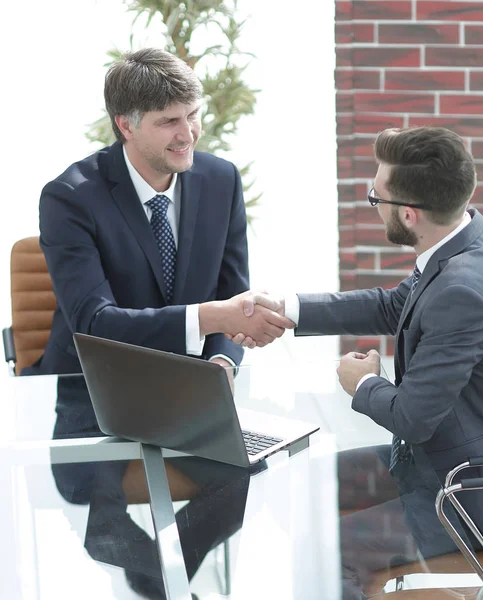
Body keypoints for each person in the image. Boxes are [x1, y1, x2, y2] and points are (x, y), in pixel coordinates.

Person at [24, 47, 292, 595]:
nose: (188, 133)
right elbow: (95, 322)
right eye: (170, 121)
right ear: (126, 124)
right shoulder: (70, 198)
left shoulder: (220, 181)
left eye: (193, 114)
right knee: (94, 501)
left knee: (246, 478)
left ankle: (162, 590)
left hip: (187, 390)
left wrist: (221, 356)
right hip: (90, 390)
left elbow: (229, 294)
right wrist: (211, 315)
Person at [232, 126, 483, 597]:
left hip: (469, 494)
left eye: (376, 197)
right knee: (297, 488)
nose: (372, 201)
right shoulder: (474, 238)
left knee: (331, 547)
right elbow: (393, 305)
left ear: (410, 215)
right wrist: (289, 308)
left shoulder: (463, 290)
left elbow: (412, 418)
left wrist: (363, 383)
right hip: (434, 462)